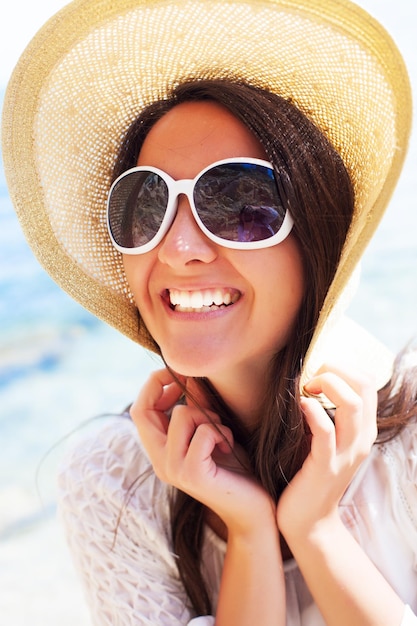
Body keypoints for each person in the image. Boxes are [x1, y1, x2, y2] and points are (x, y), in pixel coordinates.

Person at [2, 0, 416, 624]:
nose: (179, 247)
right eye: (146, 206)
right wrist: (249, 531)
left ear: (321, 243)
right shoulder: (111, 484)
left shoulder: (407, 446)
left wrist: (317, 532)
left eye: (241, 202)